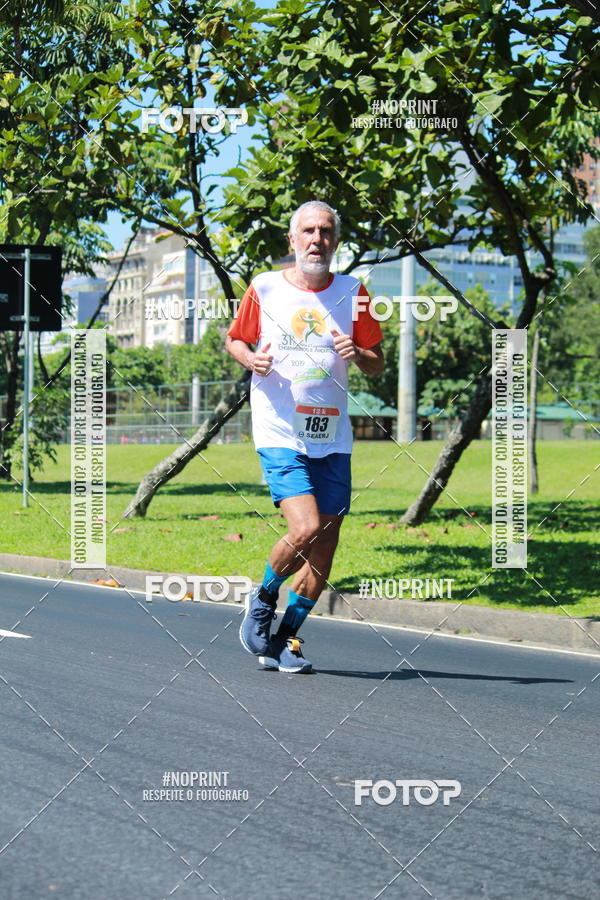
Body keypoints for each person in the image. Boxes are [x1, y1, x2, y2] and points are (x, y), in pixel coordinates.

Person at [225, 200, 384, 673]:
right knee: (305, 528)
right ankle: (262, 599)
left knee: (324, 547)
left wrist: (357, 352)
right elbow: (235, 338)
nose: (318, 239)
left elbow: (378, 362)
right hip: (279, 429)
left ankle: (284, 642)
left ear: (336, 241)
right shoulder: (265, 286)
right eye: (308, 231)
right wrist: (248, 359)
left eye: (326, 231)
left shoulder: (355, 292)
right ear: (293, 240)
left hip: (331, 435)